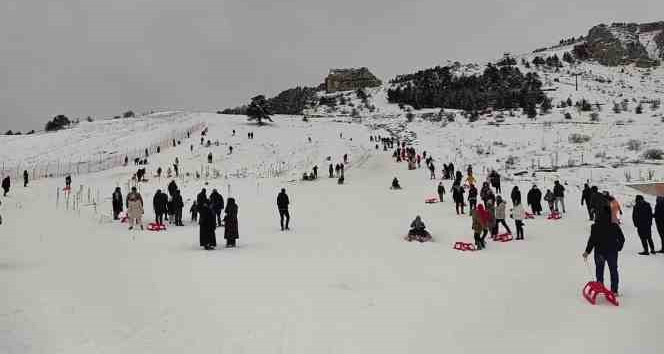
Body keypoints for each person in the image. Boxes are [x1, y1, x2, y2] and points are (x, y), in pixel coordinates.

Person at [583, 205, 625, 296]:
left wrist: (587, 251)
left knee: (599, 270)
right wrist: (618, 247)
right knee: (613, 270)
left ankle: (599, 288)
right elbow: (622, 238)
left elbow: (592, 240)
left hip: (599, 252)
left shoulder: (596, 225)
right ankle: (614, 291)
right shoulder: (614, 224)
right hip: (612, 252)